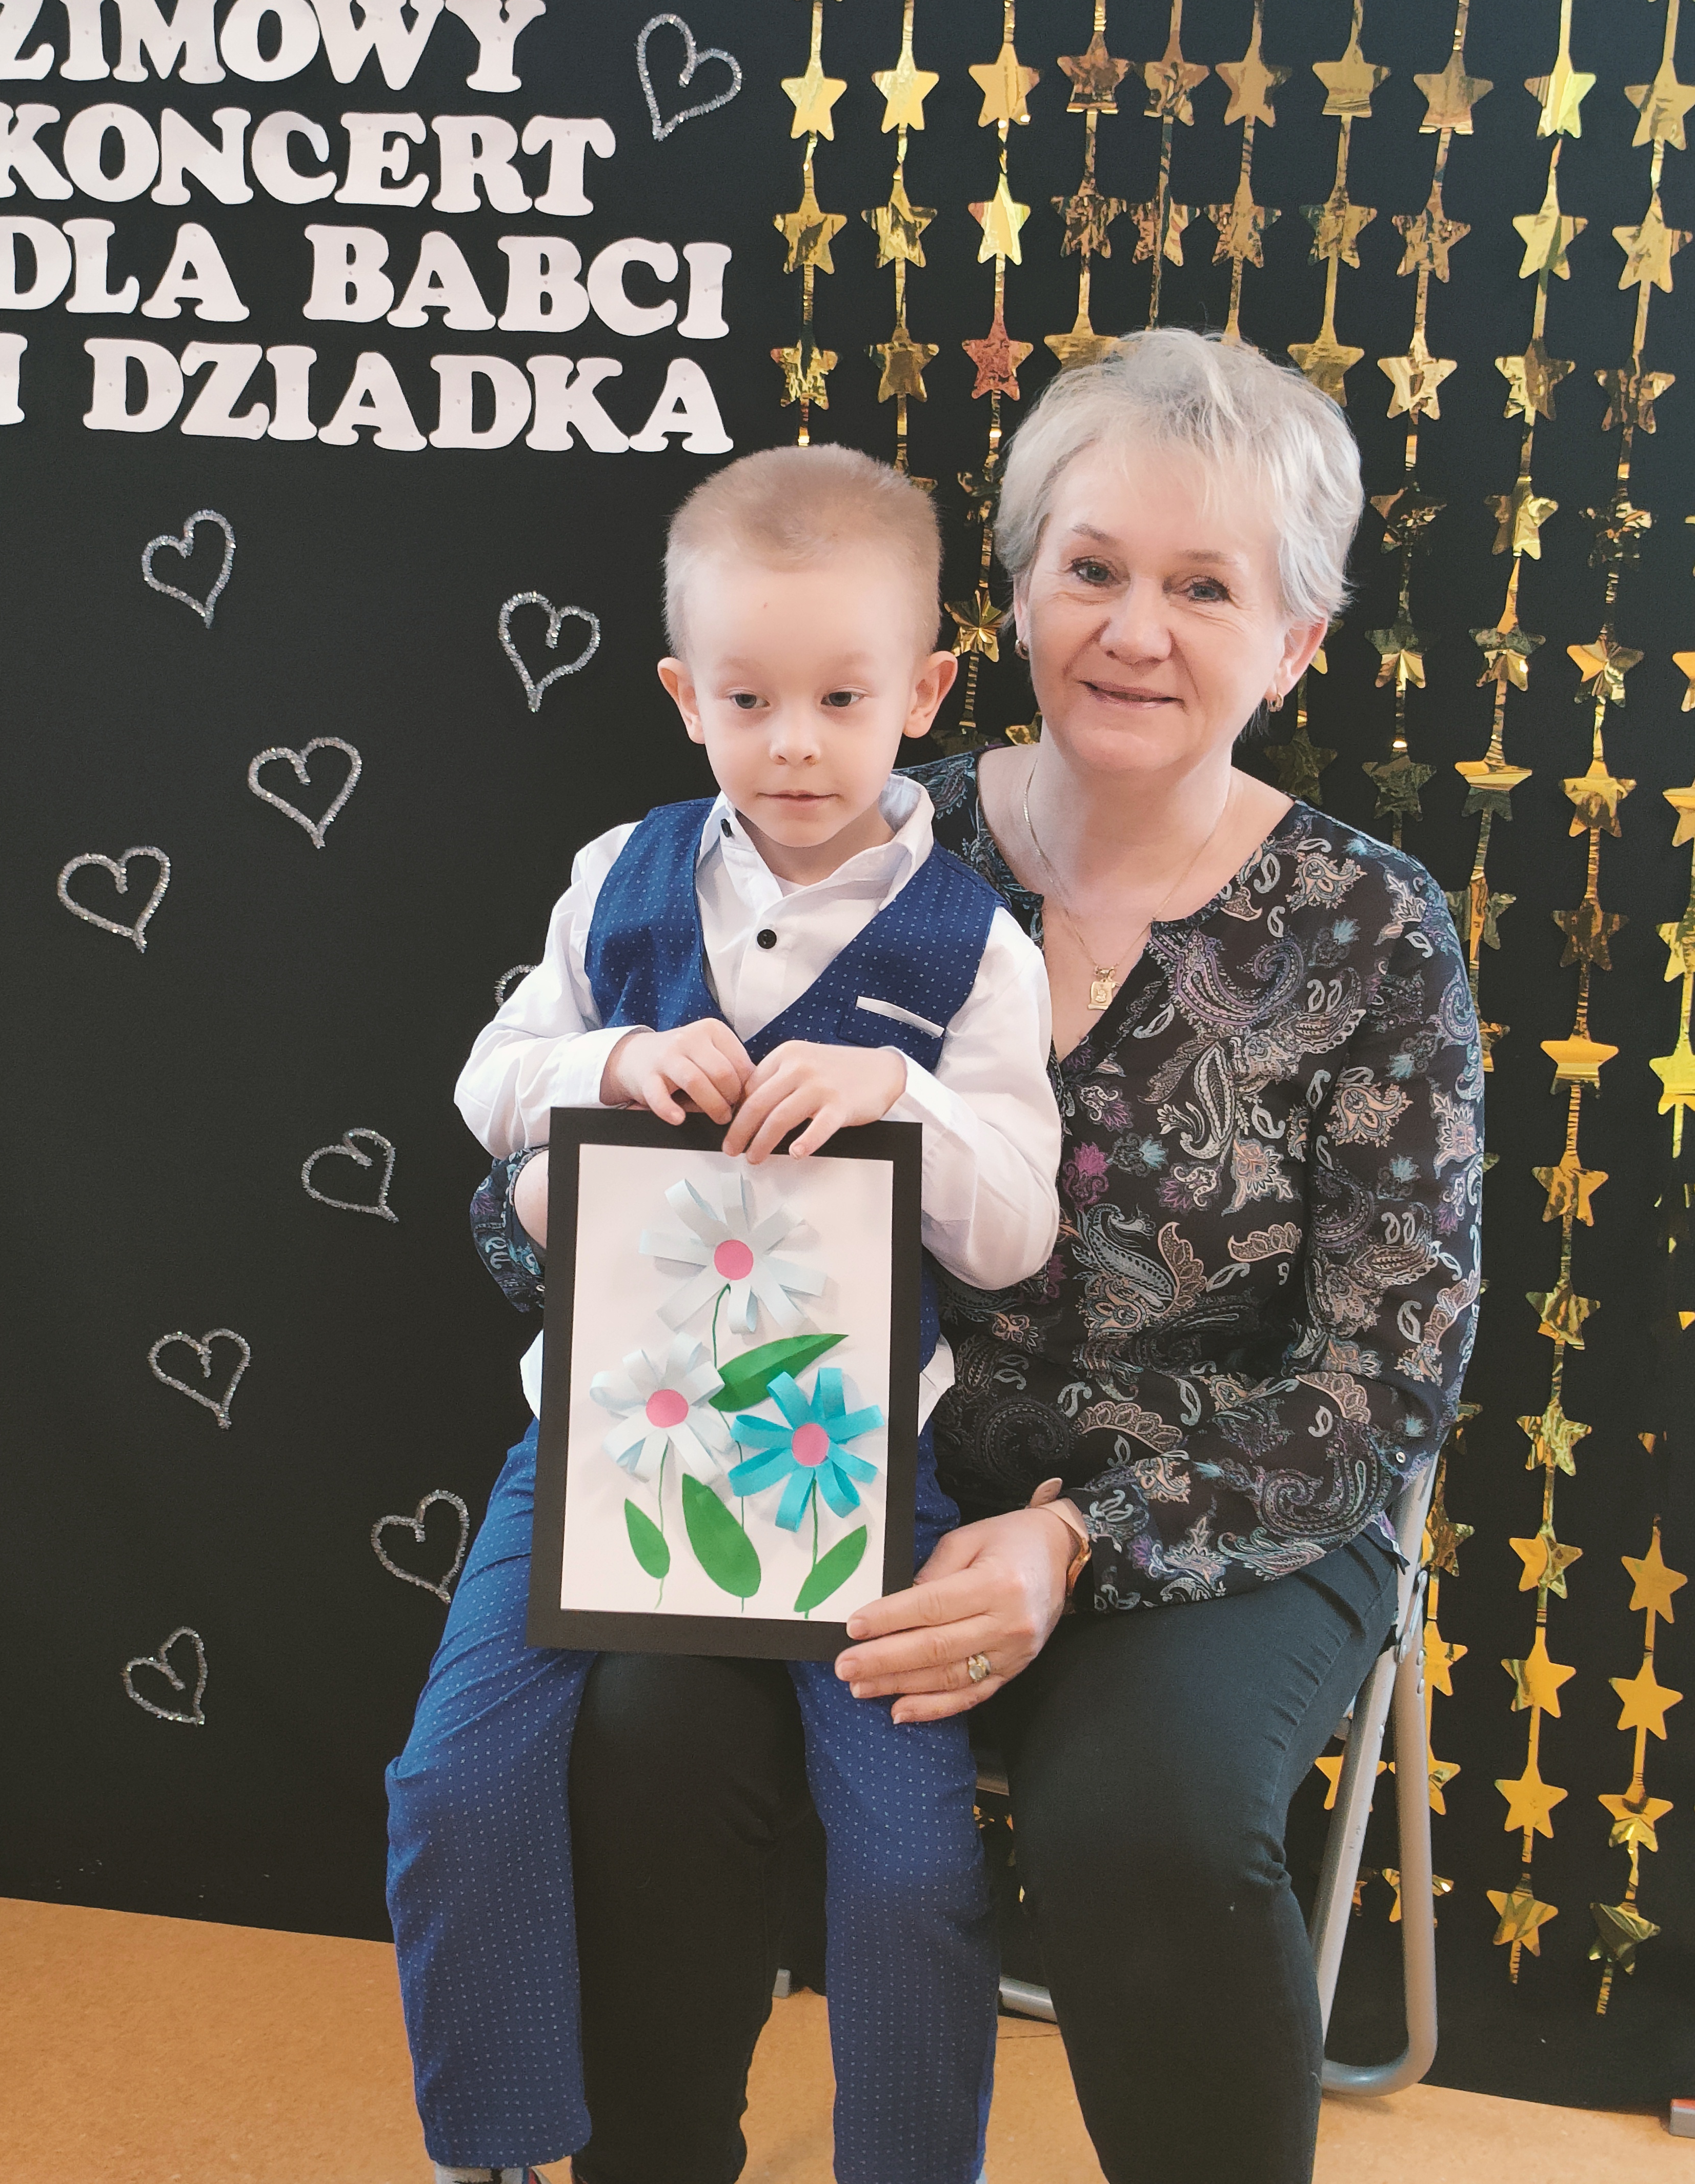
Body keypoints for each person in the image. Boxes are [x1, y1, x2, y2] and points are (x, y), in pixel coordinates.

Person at [490, 330, 1483, 2184]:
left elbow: (1383, 1374)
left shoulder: (1366, 928)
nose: (1132, 629)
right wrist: (608, 1166)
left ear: (1294, 644)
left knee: (1146, 1821)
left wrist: (1072, 1538)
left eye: (1205, 589)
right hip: (833, 1476)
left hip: (1205, 1520)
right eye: (1089, 567)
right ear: (1011, 596)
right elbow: (540, 1189)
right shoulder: (848, 823)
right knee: (648, 1722)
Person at [386, 444, 1062, 2184]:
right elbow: (489, 1085)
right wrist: (610, 1062)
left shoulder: (975, 947)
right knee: (453, 1785)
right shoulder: (619, 875)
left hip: (859, 1473)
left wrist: (903, 1098)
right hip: (597, 1438)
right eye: (748, 700)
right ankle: (500, 2143)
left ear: (924, 693)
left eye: (843, 699)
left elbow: (1013, 1236)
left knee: (906, 1868)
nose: (795, 745)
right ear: (686, 697)